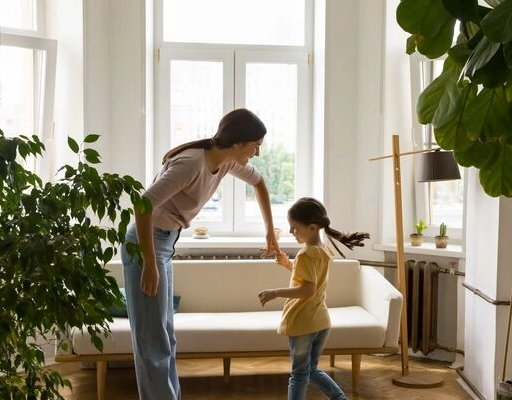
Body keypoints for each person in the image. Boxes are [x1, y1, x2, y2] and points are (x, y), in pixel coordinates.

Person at [121, 108, 281, 400]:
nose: (257, 153)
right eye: (255, 145)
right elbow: (142, 205)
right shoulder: (191, 164)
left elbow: (259, 183)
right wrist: (148, 263)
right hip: (146, 244)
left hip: (164, 243)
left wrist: (270, 231)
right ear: (238, 143)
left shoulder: (226, 162)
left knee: (166, 338)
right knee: (152, 342)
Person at [258, 197, 369, 400]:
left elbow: (307, 290)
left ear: (311, 227)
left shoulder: (305, 254)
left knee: (299, 374)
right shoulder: (324, 251)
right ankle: (340, 398)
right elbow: (310, 279)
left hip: (303, 324)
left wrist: (275, 292)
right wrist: (287, 264)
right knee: (311, 370)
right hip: (320, 322)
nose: (291, 231)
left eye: (294, 227)